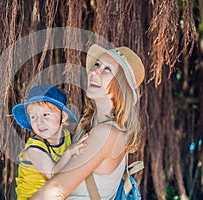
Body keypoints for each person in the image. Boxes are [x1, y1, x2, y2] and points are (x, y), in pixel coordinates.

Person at [30, 44, 145, 199]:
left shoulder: (106, 134)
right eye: (97, 64)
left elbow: (56, 189)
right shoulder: (86, 126)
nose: (95, 71)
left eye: (107, 69)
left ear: (121, 86)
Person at [12, 84, 89, 200]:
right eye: (33, 117)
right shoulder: (34, 149)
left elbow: (81, 131)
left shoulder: (66, 135)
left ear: (63, 117)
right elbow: (53, 176)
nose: (39, 122)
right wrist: (68, 152)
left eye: (45, 115)